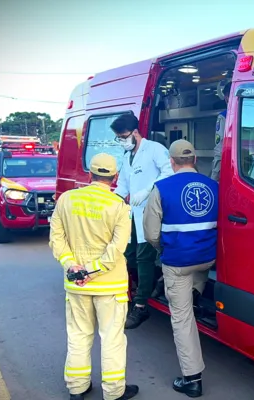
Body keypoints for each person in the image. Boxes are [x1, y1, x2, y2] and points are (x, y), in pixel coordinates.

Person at [49, 153, 139, 400]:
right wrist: (92, 270)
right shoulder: (119, 206)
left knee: (78, 335)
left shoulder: (66, 200)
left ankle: (77, 388)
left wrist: (72, 266)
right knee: (112, 338)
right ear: (114, 177)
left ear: (90, 175)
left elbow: (57, 239)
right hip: (110, 286)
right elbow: (116, 250)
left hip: (76, 284)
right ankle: (113, 392)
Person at [143, 139, 218, 398]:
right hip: (207, 260)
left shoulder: (162, 188)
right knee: (197, 275)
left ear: (172, 162)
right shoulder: (214, 186)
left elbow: (152, 233)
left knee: (182, 318)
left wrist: (162, 249)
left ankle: (192, 379)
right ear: (195, 160)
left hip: (177, 262)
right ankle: (195, 294)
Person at [110, 113, 173, 329]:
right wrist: (111, 201)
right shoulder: (126, 156)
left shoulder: (155, 149)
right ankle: (143, 288)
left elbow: (169, 172)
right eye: (119, 138)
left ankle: (140, 306)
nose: (122, 141)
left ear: (136, 132)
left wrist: (148, 190)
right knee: (128, 255)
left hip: (152, 213)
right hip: (133, 214)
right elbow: (124, 185)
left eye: (124, 136)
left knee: (144, 258)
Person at [210, 81, 232, 182]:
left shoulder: (224, 116)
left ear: (227, 97)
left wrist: (214, 179)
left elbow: (220, 148)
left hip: (230, 165)